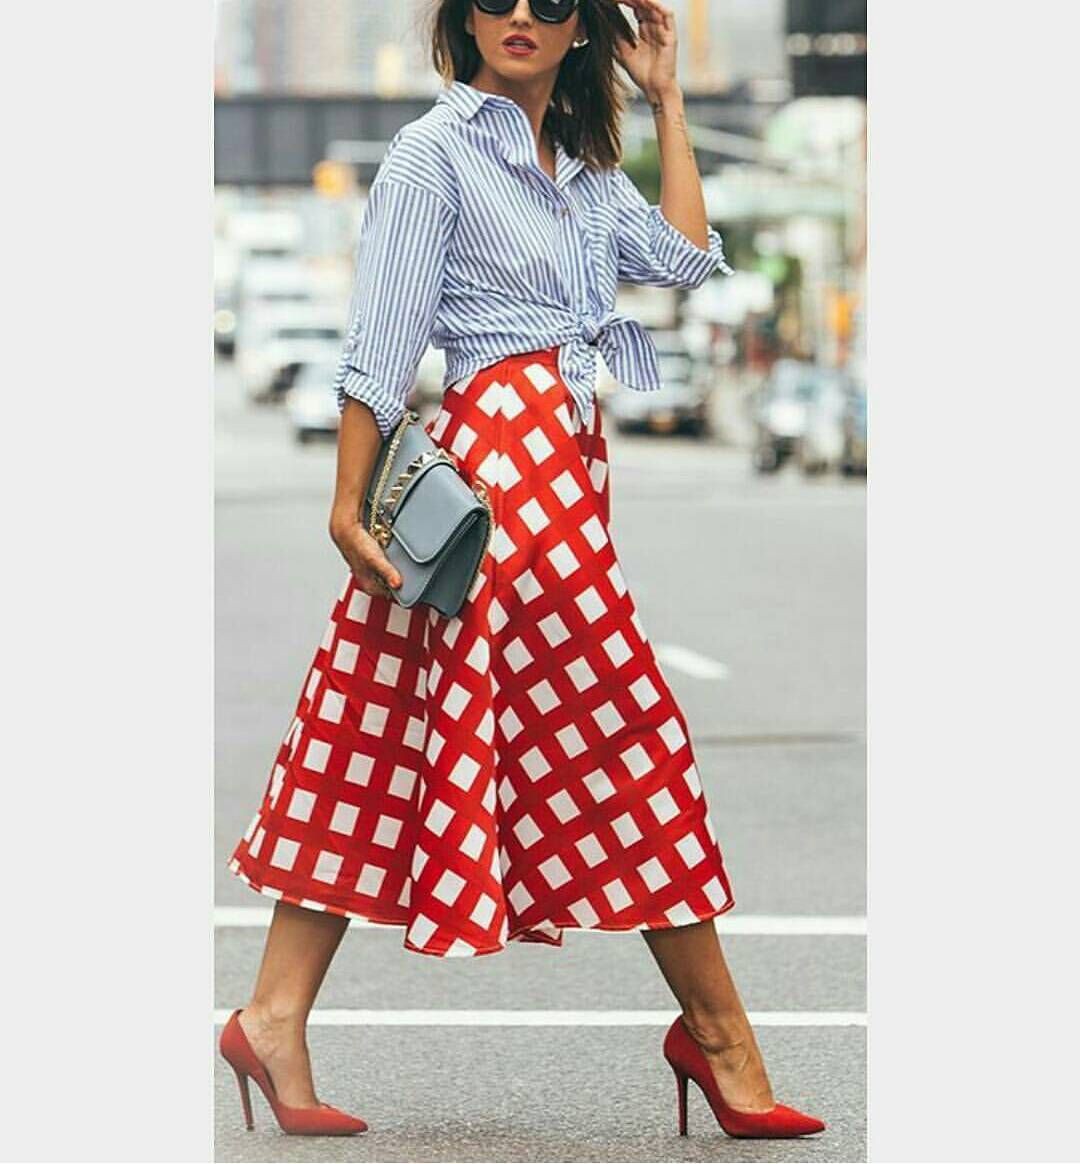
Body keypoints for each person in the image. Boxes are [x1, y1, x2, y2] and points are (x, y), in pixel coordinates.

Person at [220, 0, 825, 1142]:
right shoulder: (429, 154)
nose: (521, 15)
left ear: (583, 26)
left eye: (552, 0)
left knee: (378, 728)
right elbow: (383, 338)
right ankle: (722, 1039)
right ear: (457, 18)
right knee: (630, 726)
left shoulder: (585, 173)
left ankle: (272, 1014)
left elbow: (691, 261)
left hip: (564, 460)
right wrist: (345, 503)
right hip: (500, 474)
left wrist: (669, 102)